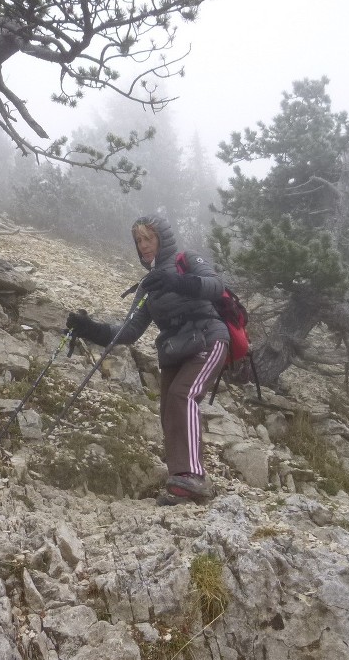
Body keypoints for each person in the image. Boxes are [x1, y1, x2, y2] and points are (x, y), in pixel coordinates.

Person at [65, 214, 229, 506]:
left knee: (183, 395)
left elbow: (216, 287)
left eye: (148, 238)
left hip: (209, 337)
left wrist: (177, 281)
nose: (143, 246)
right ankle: (181, 483)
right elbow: (128, 331)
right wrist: (89, 328)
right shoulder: (148, 287)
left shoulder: (186, 261)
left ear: (162, 238)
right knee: (169, 408)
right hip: (176, 350)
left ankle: (194, 477)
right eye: (138, 240)